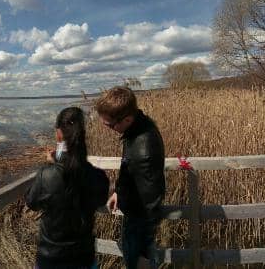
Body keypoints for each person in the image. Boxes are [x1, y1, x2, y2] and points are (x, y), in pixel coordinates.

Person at [26, 106, 110, 269]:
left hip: (51, 259)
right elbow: (99, 200)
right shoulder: (98, 176)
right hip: (83, 258)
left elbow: (32, 202)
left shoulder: (46, 175)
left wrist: (52, 165)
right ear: (82, 134)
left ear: (58, 134)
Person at [96, 86, 165, 269]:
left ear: (126, 119)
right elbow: (128, 169)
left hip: (138, 221)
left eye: (110, 125)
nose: (108, 129)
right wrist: (119, 191)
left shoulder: (143, 151)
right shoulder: (136, 127)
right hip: (134, 213)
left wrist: (142, 250)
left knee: (137, 261)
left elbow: (151, 202)